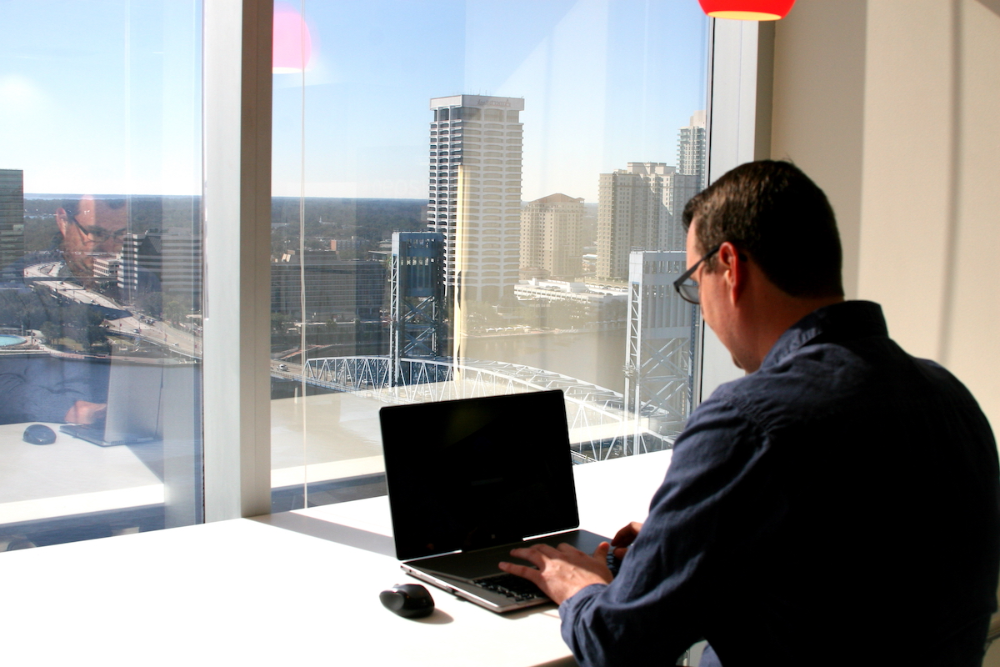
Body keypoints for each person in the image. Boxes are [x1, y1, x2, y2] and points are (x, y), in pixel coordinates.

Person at [499, 161, 1000, 666]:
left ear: (731, 267)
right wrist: (680, 545)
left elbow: (617, 646)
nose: (699, 306)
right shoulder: (951, 399)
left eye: (695, 282)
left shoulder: (748, 421)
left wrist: (580, 586)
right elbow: (857, 571)